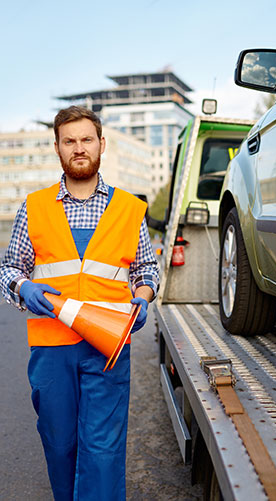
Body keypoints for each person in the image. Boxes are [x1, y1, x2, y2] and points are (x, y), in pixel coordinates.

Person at [0, 106, 160, 500]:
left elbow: (147, 270)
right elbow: (9, 268)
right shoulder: (34, 207)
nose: (79, 148)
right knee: (60, 446)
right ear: (57, 148)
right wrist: (23, 288)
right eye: (69, 141)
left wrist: (141, 299)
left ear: (101, 144)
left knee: (102, 451)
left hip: (107, 346)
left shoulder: (127, 209)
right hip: (52, 350)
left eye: (87, 139)